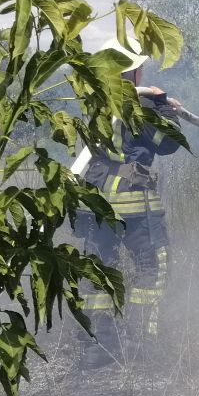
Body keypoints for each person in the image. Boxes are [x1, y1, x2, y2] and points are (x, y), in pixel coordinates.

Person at [73, 39, 182, 368]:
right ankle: (144, 346)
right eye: (140, 68)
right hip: (133, 206)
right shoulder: (141, 106)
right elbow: (168, 144)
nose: (144, 72)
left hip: (94, 205)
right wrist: (165, 109)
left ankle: (99, 349)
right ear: (131, 73)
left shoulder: (94, 103)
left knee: (100, 273)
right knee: (153, 268)